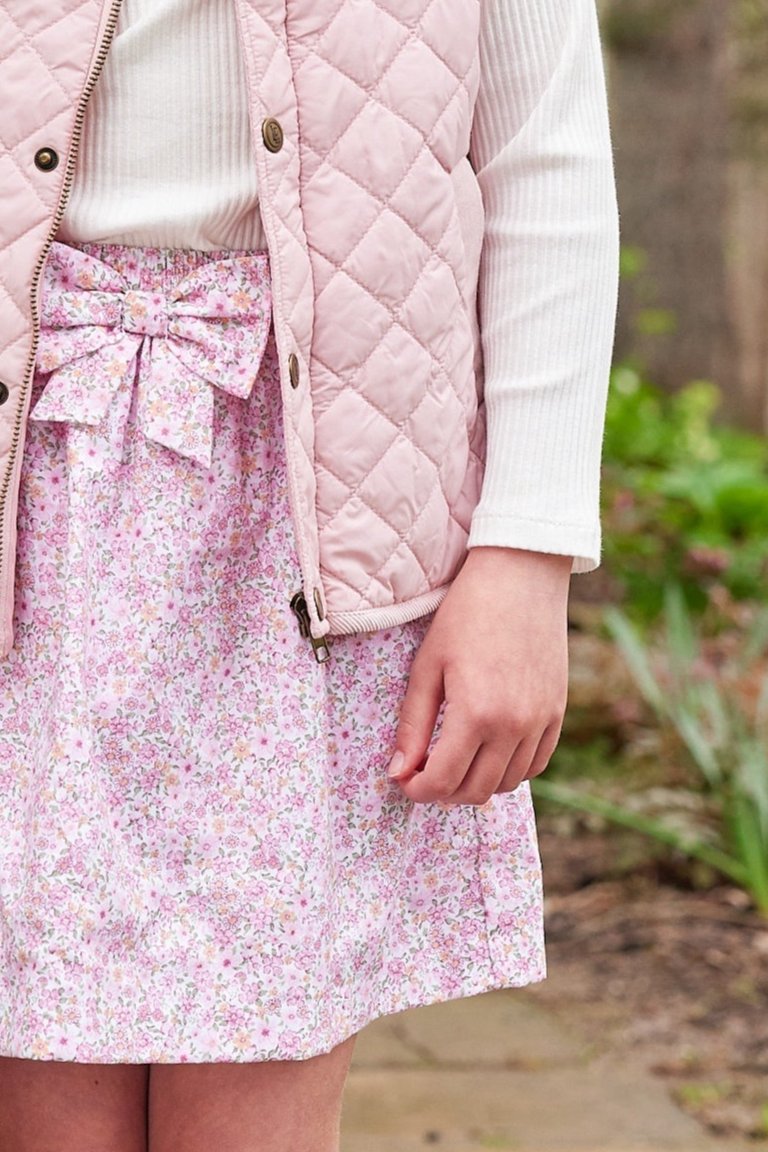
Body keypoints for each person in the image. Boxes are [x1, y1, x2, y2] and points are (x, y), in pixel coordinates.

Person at [0, 0, 620, 1148]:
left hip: (307, 508)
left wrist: (525, 551)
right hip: (31, 497)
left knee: (252, 1101)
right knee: (41, 1101)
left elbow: (546, 160)